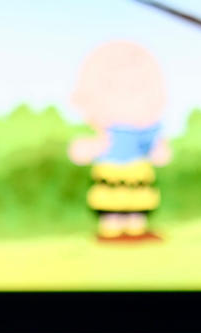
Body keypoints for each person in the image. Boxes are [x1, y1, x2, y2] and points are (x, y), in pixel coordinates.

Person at [68, 40, 171, 243]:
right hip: (111, 172)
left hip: (137, 173)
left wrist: (158, 148)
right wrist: (92, 147)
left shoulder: (147, 131)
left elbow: (159, 153)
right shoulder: (106, 131)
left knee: (136, 203)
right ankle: (111, 229)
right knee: (111, 202)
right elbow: (80, 151)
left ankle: (135, 229)